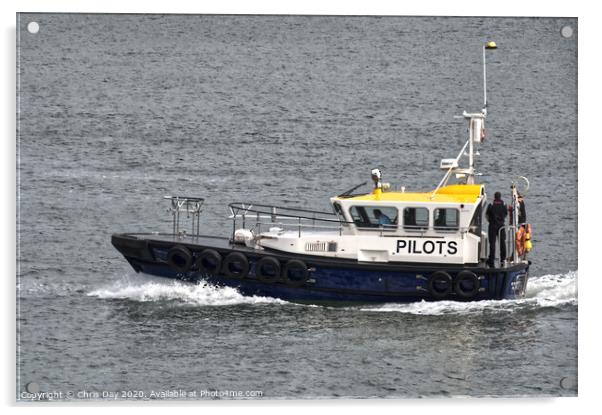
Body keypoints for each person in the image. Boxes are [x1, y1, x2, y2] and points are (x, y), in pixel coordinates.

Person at [486, 192, 507, 267]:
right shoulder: (504, 204)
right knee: (502, 243)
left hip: (492, 225)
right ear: (500, 197)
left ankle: (491, 259)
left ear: (494, 197)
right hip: (501, 226)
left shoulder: (491, 205)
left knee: (492, 244)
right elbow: (506, 213)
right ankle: (503, 259)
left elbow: (487, 215)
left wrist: (491, 221)